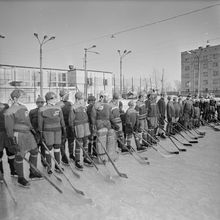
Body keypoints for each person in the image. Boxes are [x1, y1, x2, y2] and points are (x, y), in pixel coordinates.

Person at [4, 89, 42, 187]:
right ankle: (20, 178)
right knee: (19, 155)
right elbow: (9, 128)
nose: (24, 98)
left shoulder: (24, 108)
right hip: (18, 134)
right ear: (15, 98)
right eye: (22, 96)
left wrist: (33, 131)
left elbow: (28, 121)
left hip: (28, 133)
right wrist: (12, 141)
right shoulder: (9, 111)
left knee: (34, 151)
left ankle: (33, 172)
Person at [38, 91, 66, 174]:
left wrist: (64, 129)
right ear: (48, 99)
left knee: (57, 147)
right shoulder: (42, 109)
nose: (55, 100)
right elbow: (40, 122)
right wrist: (41, 132)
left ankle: (58, 166)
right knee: (48, 148)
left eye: (55, 98)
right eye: (54, 98)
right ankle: (49, 166)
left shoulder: (58, 108)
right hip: (48, 131)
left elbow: (62, 119)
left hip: (58, 131)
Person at [91, 92, 118, 162]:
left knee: (107, 139)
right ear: (101, 97)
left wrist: (115, 124)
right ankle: (103, 157)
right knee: (103, 139)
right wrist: (93, 124)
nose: (106, 98)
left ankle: (108, 155)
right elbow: (93, 116)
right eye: (105, 97)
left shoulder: (106, 105)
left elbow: (111, 116)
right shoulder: (98, 105)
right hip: (101, 123)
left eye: (106, 97)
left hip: (104, 123)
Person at [69, 92, 93, 171]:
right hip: (78, 126)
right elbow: (71, 119)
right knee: (79, 143)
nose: (83, 100)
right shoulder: (73, 107)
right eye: (81, 98)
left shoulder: (84, 106)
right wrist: (72, 128)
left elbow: (86, 115)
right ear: (77, 99)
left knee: (86, 142)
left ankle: (85, 158)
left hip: (85, 125)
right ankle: (77, 161)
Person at [56, 89, 75, 165]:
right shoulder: (58, 104)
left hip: (69, 124)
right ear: (63, 96)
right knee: (63, 141)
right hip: (62, 126)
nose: (68, 96)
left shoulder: (70, 103)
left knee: (71, 140)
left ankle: (71, 154)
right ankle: (63, 156)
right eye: (67, 95)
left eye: (68, 95)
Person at [0, 102, 17, 183]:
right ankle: (1, 174)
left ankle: (13, 171)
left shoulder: (7, 108)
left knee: (11, 153)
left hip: (8, 134)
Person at [29, 96, 46, 167]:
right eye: (39, 102)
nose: (40, 104)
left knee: (43, 149)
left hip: (44, 134)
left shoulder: (46, 111)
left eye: (42, 102)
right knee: (34, 151)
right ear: (36, 103)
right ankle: (32, 167)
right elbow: (28, 123)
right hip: (34, 135)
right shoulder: (32, 112)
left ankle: (43, 161)